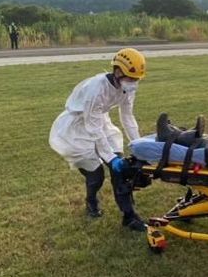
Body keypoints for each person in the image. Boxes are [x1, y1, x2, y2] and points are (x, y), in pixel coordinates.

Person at [49, 48, 147, 231]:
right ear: (117, 72)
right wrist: (110, 158)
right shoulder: (96, 90)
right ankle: (91, 200)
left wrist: (139, 145)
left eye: (137, 79)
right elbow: (92, 128)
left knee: (120, 171)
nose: (134, 83)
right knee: (97, 175)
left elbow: (127, 116)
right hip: (78, 128)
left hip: (100, 121)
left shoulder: (127, 87)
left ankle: (129, 216)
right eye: (131, 79)